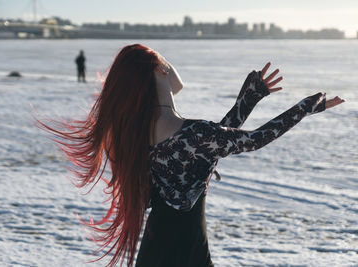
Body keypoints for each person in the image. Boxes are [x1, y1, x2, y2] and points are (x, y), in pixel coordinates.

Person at [41, 44, 344, 267]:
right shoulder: (191, 132)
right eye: (166, 60)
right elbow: (253, 140)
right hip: (188, 256)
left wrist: (249, 98)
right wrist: (307, 105)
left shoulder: (142, 131)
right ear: (159, 69)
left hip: (157, 254)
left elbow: (211, 141)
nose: (172, 67)